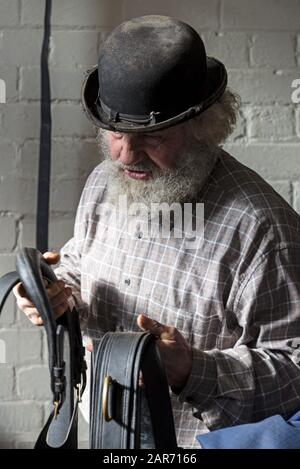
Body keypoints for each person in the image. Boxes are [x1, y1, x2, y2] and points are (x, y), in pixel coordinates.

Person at [13, 15, 300, 448]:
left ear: (203, 126)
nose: (125, 155)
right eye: (116, 131)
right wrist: (54, 290)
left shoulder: (262, 231)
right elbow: (83, 262)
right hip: (103, 432)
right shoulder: (105, 182)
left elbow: (295, 372)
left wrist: (190, 368)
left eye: (152, 136)